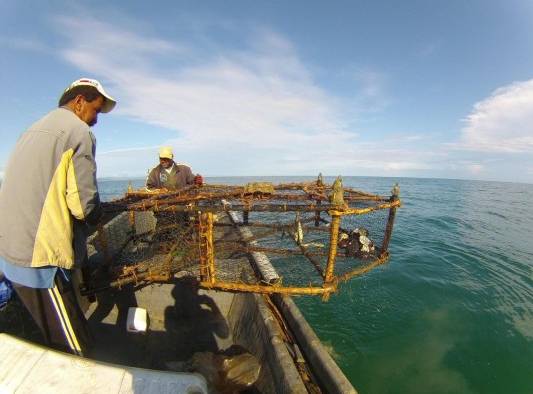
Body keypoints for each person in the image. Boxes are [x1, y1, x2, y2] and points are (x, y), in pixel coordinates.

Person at [0, 78, 116, 356]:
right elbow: (82, 204)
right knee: (74, 347)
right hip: (39, 256)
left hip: (9, 247)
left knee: (38, 333)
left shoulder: (32, 129)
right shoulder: (78, 131)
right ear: (79, 102)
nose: (96, 120)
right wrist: (99, 215)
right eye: (96, 110)